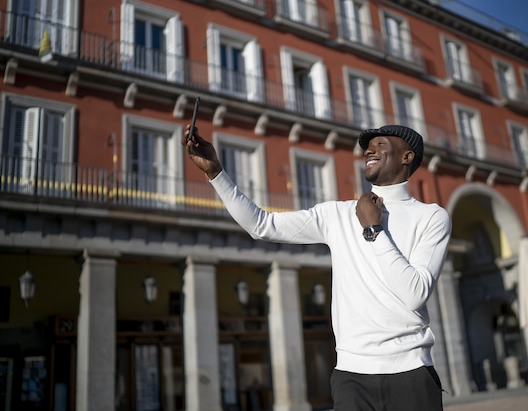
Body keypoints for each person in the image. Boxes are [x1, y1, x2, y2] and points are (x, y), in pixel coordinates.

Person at [183, 124, 452, 411]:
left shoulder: (431, 217)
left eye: (381, 144)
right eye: (367, 147)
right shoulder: (336, 214)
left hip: (411, 375)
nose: (369, 151)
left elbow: (415, 293)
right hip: (352, 378)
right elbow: (262, 225)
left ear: (407, 157)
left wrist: (373, 229)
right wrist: (215, 173)